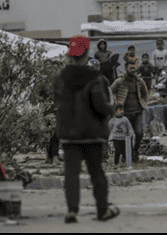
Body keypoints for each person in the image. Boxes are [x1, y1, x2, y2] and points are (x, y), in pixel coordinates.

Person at [54, 35, 119, 223]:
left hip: (68, 134)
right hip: (92, 133)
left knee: (71, 174)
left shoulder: (60, 77)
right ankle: (102, 210)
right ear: (87, 53)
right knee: (96, 172)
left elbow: (57, 101)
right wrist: (111, 110)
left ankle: (72, 211)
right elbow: (100, 105)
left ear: (70, 54)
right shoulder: (94, 77)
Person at [111, 63, 148, 162]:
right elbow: (110, 92)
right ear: (126, 69)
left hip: (138, 112)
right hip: (125, 113)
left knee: (139, 133)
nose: (133, 70)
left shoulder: (139, 81)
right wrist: (115, 104)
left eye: (134, 68)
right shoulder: (119, 81)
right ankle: (128, 154)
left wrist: (143, 103)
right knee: (128, 135)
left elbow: (145, 93)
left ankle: (136, 149)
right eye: (130, 68)